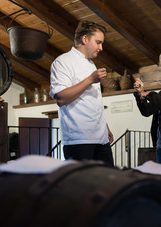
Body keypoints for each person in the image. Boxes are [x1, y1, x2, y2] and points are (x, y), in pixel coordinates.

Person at [49, 20, 114, 166]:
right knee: (82, 187)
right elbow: (61, 98)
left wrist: (105, 127)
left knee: (108, 183)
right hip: (79, 140)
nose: (101, 48)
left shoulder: (91, 64)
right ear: (85, 39)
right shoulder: (63, 62)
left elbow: (92, 101)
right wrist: (91, 79)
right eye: (98, 42)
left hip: (101, 138)